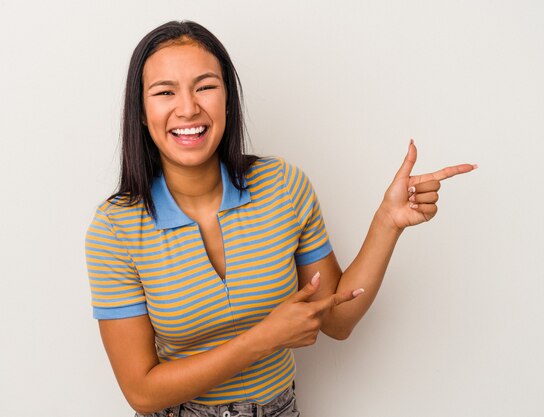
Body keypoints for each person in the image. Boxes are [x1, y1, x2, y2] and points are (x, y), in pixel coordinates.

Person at [84, 20, 476, 417]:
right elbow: (142, 392)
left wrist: (387, 222)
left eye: (205, 86)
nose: (187, 108)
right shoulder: (114, 230)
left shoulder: (283, 185)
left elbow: (337, 320)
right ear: (141, 110)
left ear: (228, 100)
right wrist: (265, 338)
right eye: (165, 92)